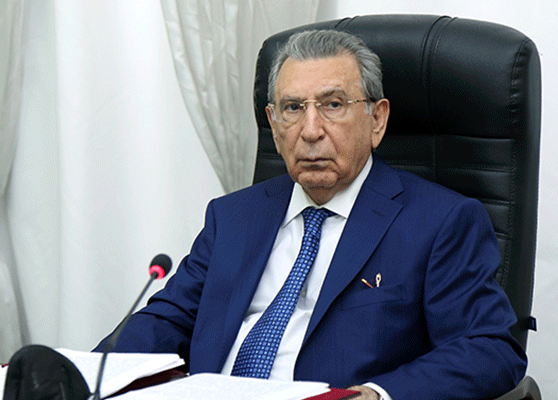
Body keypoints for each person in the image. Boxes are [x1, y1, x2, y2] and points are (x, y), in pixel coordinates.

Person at [95, 30, 527, 399]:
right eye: (292, 108)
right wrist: (88, 376)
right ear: (273, 124)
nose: (311, 130)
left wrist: (377, 395)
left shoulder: (440, 222)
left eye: (333, 104)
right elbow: (165, 320)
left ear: (377, 119)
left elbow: (489, 349)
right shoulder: (233, 216)